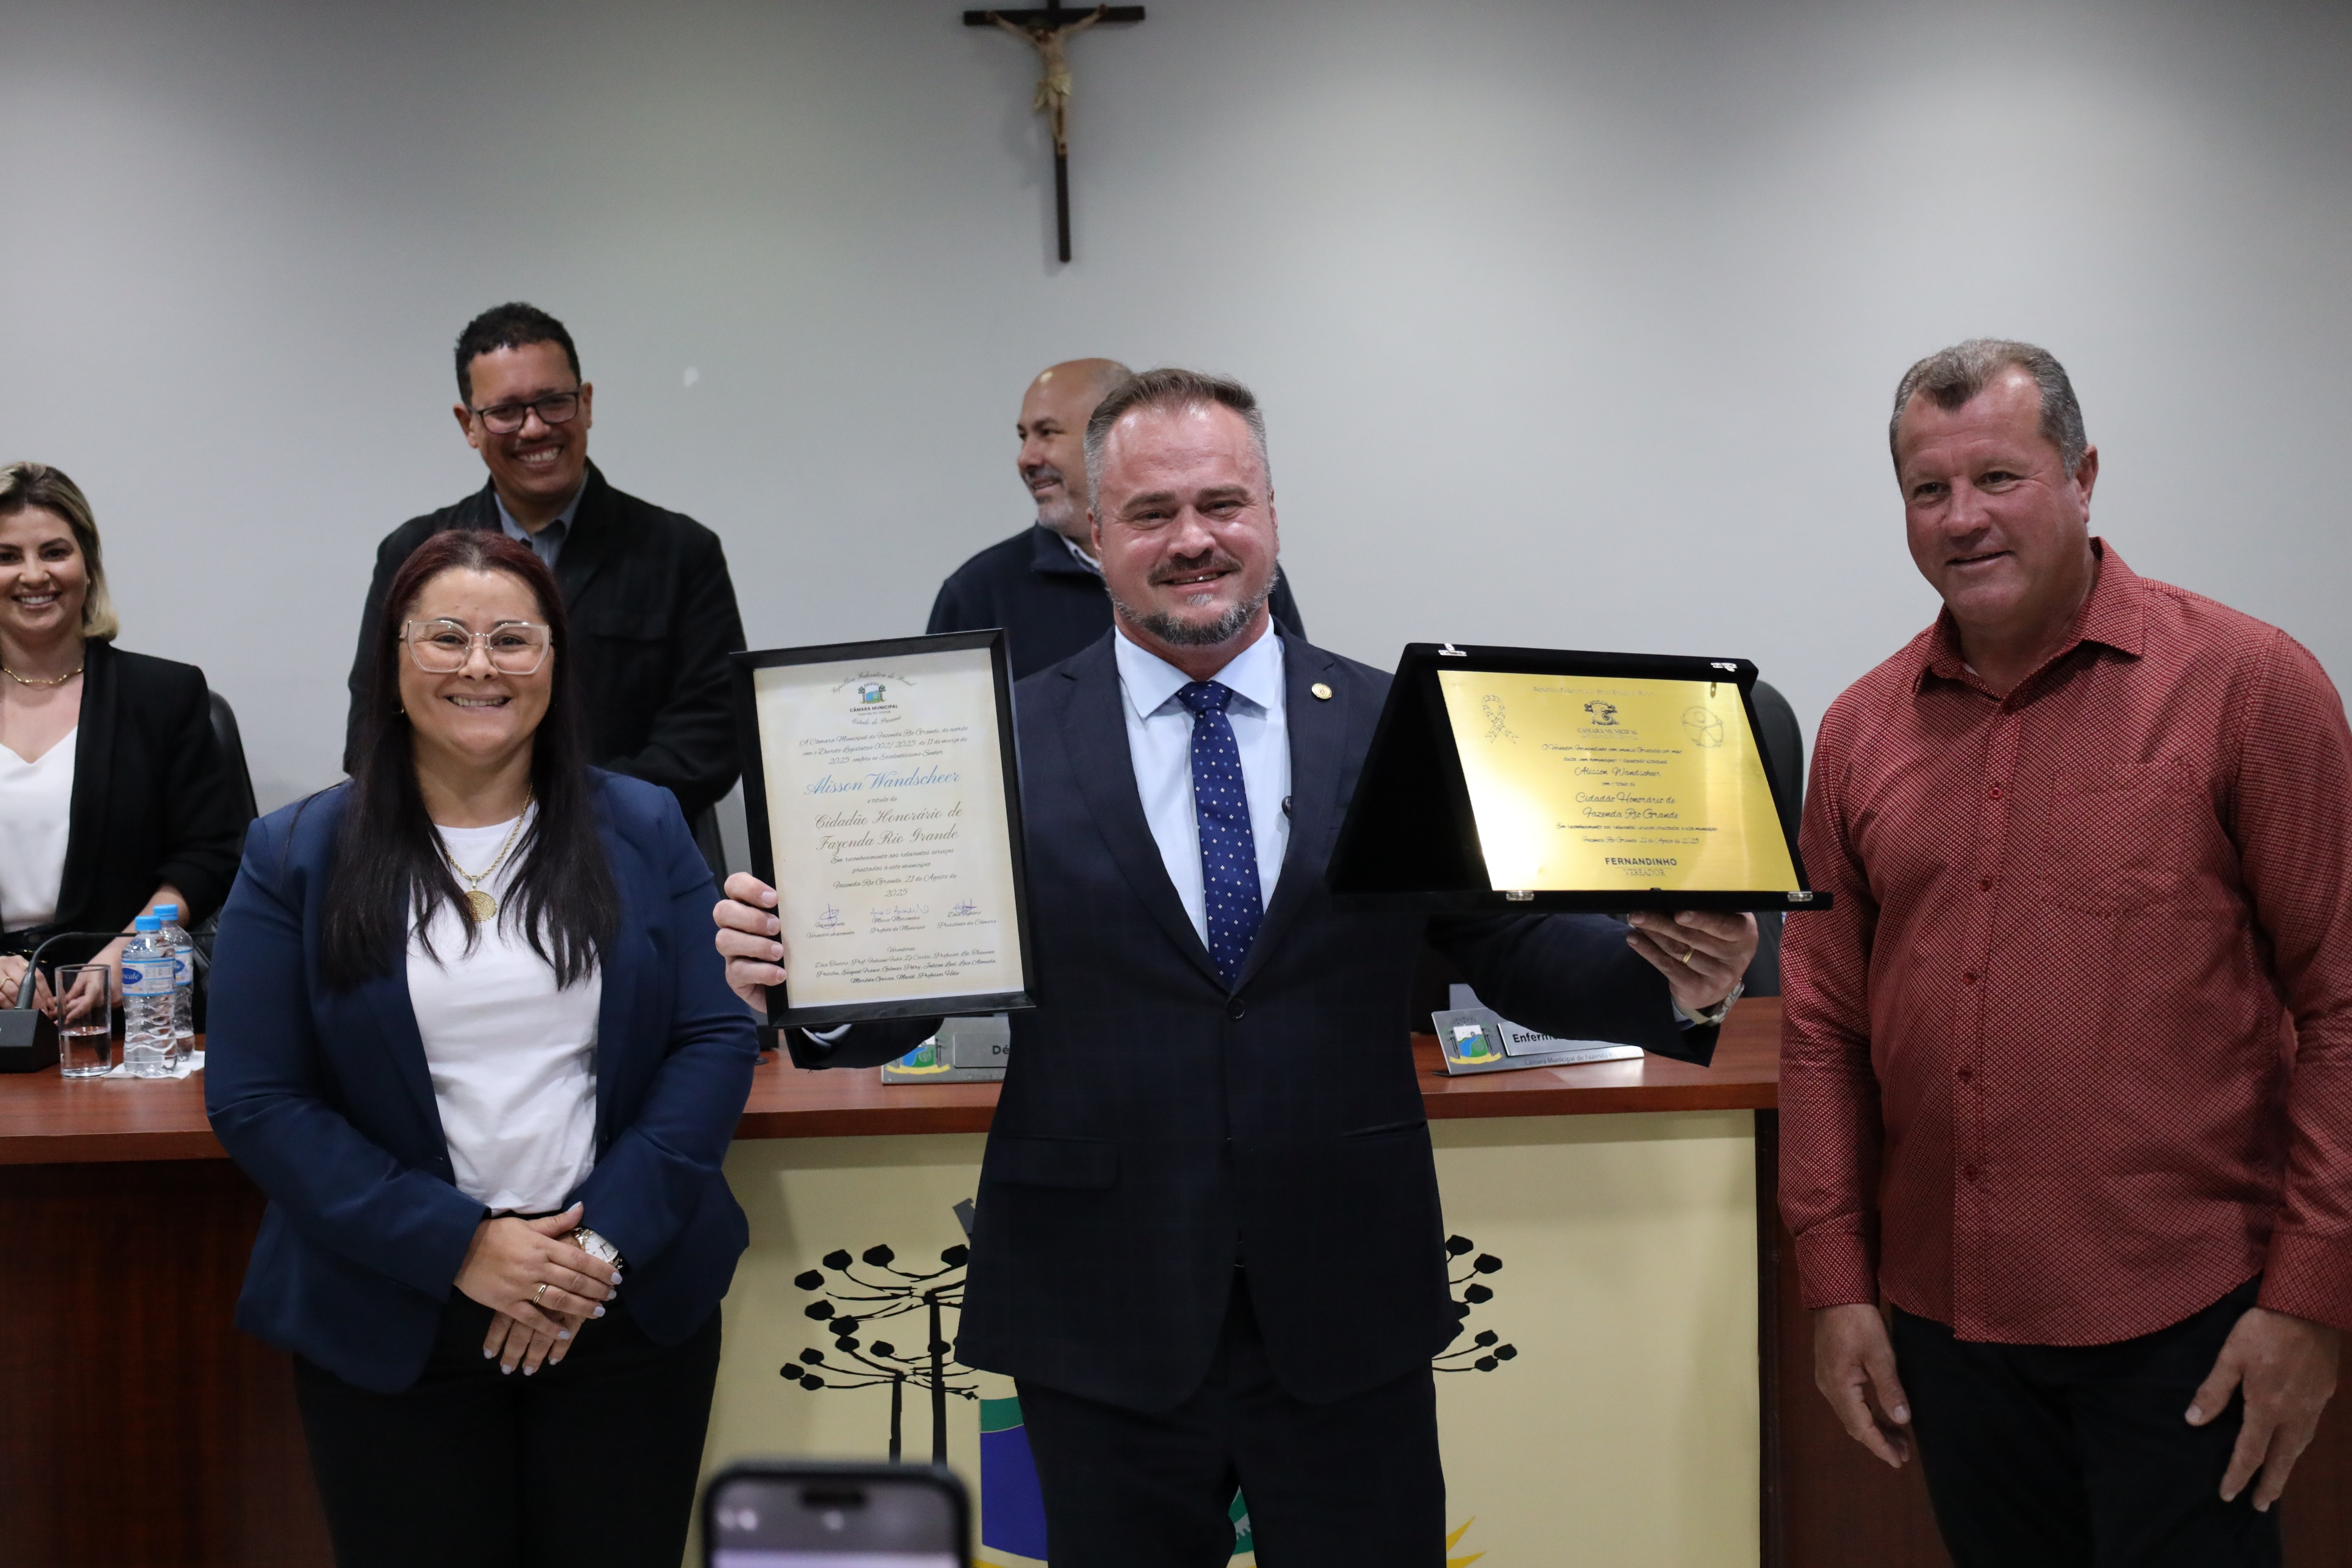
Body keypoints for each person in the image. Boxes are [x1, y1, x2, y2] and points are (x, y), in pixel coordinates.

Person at [722, 369, 1756, 1567]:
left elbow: (1506, 946)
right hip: (1097, 1305)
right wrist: (801, 970)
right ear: (1093, 532)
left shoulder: (1393, 727)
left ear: (1271, 513)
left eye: (1222, 502)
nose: (1193, 539)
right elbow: (901, 987)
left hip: (1345, 1297)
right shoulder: (988, 739)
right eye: (1151, 512)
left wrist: (1676, 979)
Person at [1781, 339, 2351, 1566]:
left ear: (2082, 477)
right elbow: (1823, 1026)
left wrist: (2311, 1298)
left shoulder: (2248, 685)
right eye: (1928, 490)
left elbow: (2344, 1002)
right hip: (1949, 1326)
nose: (1962, 518)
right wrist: (1836, 1284)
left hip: (2189, 1320)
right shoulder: (1859, 731)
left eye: (1999, 477)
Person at [210, 530, 759, 1567]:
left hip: (620, 1305)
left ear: (554, 659)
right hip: (390, 1311)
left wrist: (593, 1253)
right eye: (446, 638)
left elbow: (712, 1036)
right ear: (393, 659)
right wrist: (462, 1247)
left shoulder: (643, 824)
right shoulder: (296, 851)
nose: (479, 666)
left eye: (512, 638)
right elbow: (258, 1097)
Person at [343, 302, 747, 873]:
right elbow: (374, 727)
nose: (534, 428)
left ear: (586, 403)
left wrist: (566, 813)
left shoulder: (680, 551)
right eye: (505, 411)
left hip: (631, 852)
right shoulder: (413, 553)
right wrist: (490, 821)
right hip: (453, 856)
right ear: (469, 425)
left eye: (553, 402)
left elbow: (711, 737)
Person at [0, 461, 246, 1010]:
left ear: (88, 566)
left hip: (135, 1005)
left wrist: (135, 946)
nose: (34, 575)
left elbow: (209, 853)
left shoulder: (164, 695)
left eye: (54, 552)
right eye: (7, 556)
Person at [927, 358, 1308, 678]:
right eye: (1023, 436)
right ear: (1098, 535)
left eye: (1047, 432)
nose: (1026, 458)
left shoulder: (1235, 568)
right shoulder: (978, 592)